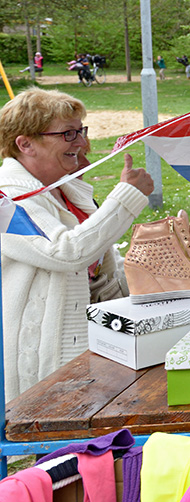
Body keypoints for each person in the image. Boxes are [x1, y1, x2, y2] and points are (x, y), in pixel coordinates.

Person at [0, 88, 155, 396]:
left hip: (92, 349)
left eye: (81, 131)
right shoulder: (6, 199)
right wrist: (127, 197)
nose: (82, 143)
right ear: (25, 144)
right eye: (68, 134)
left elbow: (98, 276)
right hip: (42, 368)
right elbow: (66, 252)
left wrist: (156, 264)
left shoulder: (67, 192)